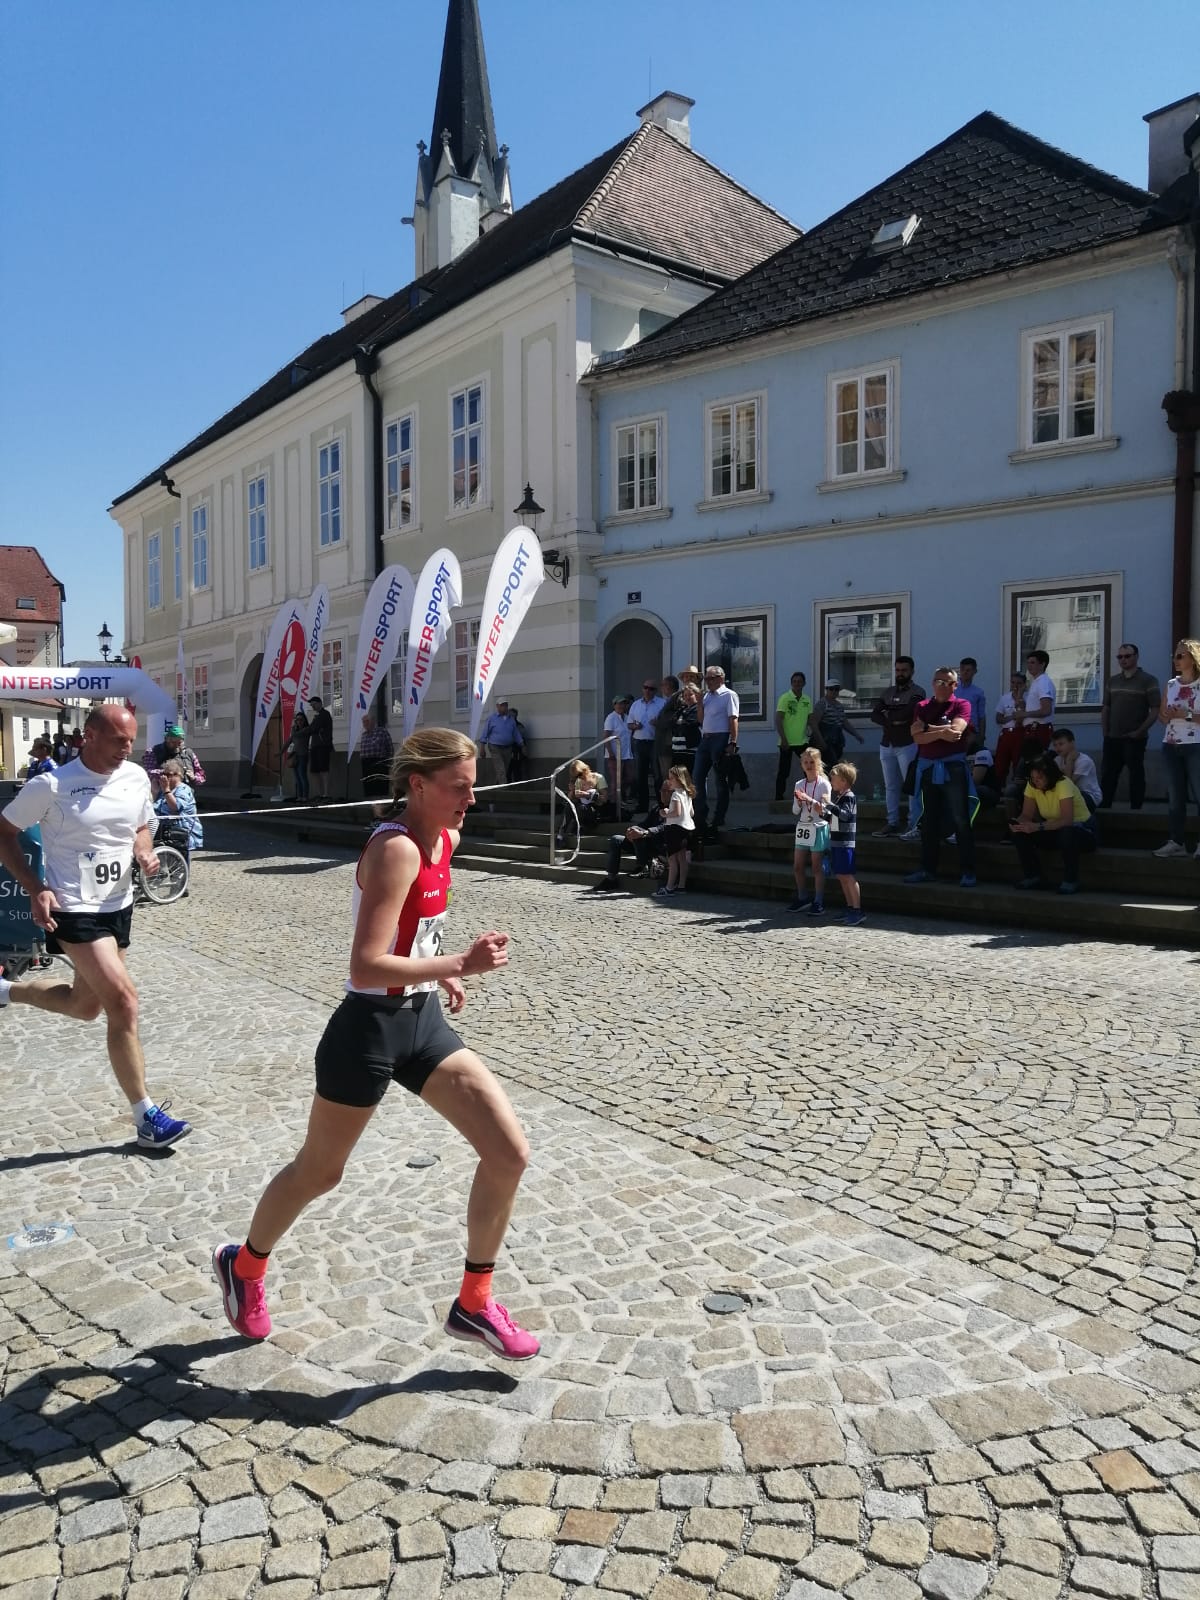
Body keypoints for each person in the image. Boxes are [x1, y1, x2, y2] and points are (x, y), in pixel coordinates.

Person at [212, 727, 538, 1358]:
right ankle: (244, 1266)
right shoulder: (395, 850)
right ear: (417, 785)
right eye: (458, 789)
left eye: (474, 787)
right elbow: (365, 966)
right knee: (320, 1171)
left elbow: (413, 937)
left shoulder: (448, 836)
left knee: (509, 1153)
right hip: (366, 1029)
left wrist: (440, 969)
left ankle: (474, 1304)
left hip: (421, 1025)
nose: (470, 800)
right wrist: (457, 967)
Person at [0, 704, 191, 1148]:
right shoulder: (51, 785)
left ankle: (7, 991)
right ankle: (146, 1117)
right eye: (117, 740)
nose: (127, 749)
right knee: (123, 1001)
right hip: (74, 909)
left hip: (118, 904)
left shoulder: (134, 778)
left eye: (131, 740)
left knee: (86, 1006)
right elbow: (4, 831)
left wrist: (144, 852)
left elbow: (139, 825)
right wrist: (34, 886)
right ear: (89, 736)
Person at [904, 666, 978, 888]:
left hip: (952, 768)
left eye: (946, 682)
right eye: (937, 681)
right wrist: (938, 731)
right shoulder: (922, 706)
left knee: (960, 819)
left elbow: (955, 734)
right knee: (929, 821)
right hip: (927, 768)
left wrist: (927, 728)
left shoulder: (961, 704)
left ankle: (968, 871)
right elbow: (917, 738)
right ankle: (927, 869)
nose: (940, 685)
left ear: (955, 685)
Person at [1010, 752, 1098, 894]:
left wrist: (1037, 826)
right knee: (1020, 833)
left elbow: (1067, 820)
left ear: (1049, 774)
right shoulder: (1032, 785)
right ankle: (1033, 876)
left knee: (1067, 832)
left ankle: (1071, 880)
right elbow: (1027, 814)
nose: (1036, 781)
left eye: (1040, 778)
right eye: (1032, 778)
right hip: (1053, 830)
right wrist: (1018, 824)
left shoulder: (1063, 784)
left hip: (1081, 831)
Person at [1154, 638, 1200, 860]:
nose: (1176, 660)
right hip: (1171, 744)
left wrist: (1186, 714)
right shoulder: (1171, 684)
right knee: (1175, 797)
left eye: (1181, 656)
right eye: (1175, 656)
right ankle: (1177, 842)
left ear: (1194, 657)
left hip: (1196, 746)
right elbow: (1162, 715)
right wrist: (1166, 715)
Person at [1100, 644, 1160, 810]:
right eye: (1120, 657)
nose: (1123, 660)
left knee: (1136, 774)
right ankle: (1105, 808)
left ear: (1136, 656)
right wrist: (1105, 732)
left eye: (1127, 656)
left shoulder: (1148, 680)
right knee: (1108, 775)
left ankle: (1136, 809)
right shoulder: (1113, 681)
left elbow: (1155, 709)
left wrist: (1140, 731)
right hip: (1112, 737)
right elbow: (1106, 707)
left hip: (1134, 738)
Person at [870, 657, 925, 837]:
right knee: (890, 786)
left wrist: (890, 715)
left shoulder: (918, 692)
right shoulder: (888, 692)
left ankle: (913, 825)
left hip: (907, 744)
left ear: (912, 672)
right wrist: (895, 719)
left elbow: (910, 712)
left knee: (911, 786)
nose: (900, 673)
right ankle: (892, 822)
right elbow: (875, 715)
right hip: (887, 744)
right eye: (898, 670)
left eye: (904, 670)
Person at [693, 665, 740, 838]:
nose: (708, 682)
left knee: (720, 780)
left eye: (711, 678)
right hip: (705, 738)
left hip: (721, 737)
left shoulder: (729, 695)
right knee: (697, 778)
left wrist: (732, 741)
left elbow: (733, 719)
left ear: (721, 678)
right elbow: (700, 720)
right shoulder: (706, 697)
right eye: (706, 679)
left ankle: (719, 816)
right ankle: (701, 814)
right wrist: (699, 703)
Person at [816, 762, 863, 925]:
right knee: (842, 876)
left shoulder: (849, 797)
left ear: (843, 781)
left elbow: (845, 816)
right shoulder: (841, 798)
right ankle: (850, 907)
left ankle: (857, 910)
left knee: (848, 877)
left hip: (845, 844)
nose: (831, 782)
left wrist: (829, 804)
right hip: (837, 843)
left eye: (833, 779)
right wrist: (823, 815)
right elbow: (835, 821)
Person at [789, 747, 831, 914]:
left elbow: (825, 810)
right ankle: (802, 897)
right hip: (803, 827)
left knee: (816, 867)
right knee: (797, 866)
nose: (808, 765)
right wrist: (799, 803)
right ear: (801, 764)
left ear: (818, 763)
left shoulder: (824, 784)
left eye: (812, 762)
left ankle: (818, 901)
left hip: (819, 827)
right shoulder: (799, 784)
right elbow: (795, 811)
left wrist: (808, 799)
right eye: (805, 762)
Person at [653, 765, 696, 898]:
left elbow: (676, 812)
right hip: (687, 828)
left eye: (671, 778)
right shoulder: (687, 793)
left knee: (672, 860)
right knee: (682, 859)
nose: (669, 781)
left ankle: (669, 887)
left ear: (679, 780)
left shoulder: (676, 794)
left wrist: (665, 813)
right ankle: (681, 886)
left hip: (675, 830)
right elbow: (692, 813)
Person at [626, 680, 665, 815]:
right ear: (642, 689)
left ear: (655, 691)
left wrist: (658, 723)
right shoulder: (636, 705)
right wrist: (634, 726)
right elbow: (629, 724)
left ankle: (662, 805)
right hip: (639, 742)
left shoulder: (662, 703)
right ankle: (642, 805)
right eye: (645, 687)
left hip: (655, 743)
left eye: (651, 688)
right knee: (640, 776)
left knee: (658, 776)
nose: (648, 690)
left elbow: (667, 722)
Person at [152, 758, 204, 858]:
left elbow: (175, 807)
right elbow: (154, 808)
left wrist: (166, 791)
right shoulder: (164, 789)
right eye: (163, 774)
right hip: (164, 832)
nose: (164, 777)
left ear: (178, 775)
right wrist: (155, 792)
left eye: (168, 774)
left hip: (180, 833)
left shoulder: (183, 789)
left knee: (179, 861)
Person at [774, 672, 814, 801]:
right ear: (791, 683)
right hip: (786, 742)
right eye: (795, 681)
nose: (797, 683)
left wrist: (816, 735)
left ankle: (810, 795)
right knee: (784, 771)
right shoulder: (785, 698)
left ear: (804, 683)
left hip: (802, 741)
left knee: (809, 769)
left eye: (799, 681)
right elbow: (778, 719)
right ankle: (779, 797)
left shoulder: (807, 699)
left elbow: (811, 719)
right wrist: (784, 739)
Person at [810, 680, 864, 768]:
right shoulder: (822, 704)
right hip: (825, 740)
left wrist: (856, 735)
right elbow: (813, 723)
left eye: (836, 689)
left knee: (832, 763)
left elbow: (844, 722)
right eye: (831, 689)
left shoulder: (839, 705)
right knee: (832, 765)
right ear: (826, 690)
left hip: (837, 740)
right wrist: (820, 741)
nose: (834, 691)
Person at [557, 759, 607, 847]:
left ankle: (579, 828)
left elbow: (604, 799)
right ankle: (560, 835)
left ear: (585, 770)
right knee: (569, 806)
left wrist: (589, 795)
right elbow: (570, 799)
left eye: (580, 775)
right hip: (581, 809)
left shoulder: (598, 778)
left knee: (581, 807)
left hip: (595, 810)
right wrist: (572, 792)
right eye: (577, 777)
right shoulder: (579, 781)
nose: (579, 778)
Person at [993, 671, 1030, 788]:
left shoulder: (1028, 698)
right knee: (1000, 763)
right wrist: (1011, 717)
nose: (1015, 686)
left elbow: (1020, 720)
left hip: (1020, 732)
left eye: (1019, 683)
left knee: (1017, 762)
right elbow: (999, 718)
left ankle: (1016, 792)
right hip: (1006, 733)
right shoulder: (1005, 698)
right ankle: (999, 791)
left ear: (1024, 684)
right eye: (1013, 682)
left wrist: (1019, 698)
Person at [477, 699, 523, 789]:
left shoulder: (511, 720)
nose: (504, 707)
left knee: (503, 769)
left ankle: (495, 788)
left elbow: (516, 733)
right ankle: (504, 790)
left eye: (506, 705)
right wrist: (482, 748)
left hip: (507, 748)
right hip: (495, 747)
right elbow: (485, 733)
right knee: (500, 769)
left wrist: (522, 745)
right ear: (497, 706)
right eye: (502, 705)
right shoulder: (492, 718)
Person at [1051, 729, 1101, 812]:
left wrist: (1069, 760)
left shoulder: (1084, 761)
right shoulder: (1057, 760)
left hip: (1088, 796)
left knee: (1067, 797)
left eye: (1061, 744)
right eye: (1055, 745)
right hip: (1067, 794)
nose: (1057, 748)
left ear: (1072, 743)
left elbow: (1068, 784)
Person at [146, 723, 205, 789]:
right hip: (163, 793)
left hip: (186, 794)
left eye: (180, 743)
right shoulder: (153, 751)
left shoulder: (189, 753)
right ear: (167, 740)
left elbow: (201, 775)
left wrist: (195, 778)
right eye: (174, 742)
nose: (177, 745)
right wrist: (165, 772)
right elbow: (148, 773)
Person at [603, 695, 633, 803]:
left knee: (629, 778)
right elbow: (606, 736)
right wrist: (610, 753)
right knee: (616, 780)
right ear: (614, 705)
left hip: (627, 753)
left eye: (623, 703)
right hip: (615, 754)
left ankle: (621, 797)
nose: (621, 705)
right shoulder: (611, 718)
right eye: (619, 703)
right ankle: (614, 802)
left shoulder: (627, 716)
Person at [359, 714, 395, 802]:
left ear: (373, 722)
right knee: (369, 786)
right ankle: (370, 805)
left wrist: (388, 761)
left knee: (380, 786)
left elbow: (390, 747)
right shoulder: (364, 735)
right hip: (366, 763)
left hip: (379, 762)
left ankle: (382, 805)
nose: (365, 724)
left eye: (367, 721)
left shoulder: (382, 732)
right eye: (364, 722)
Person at [306, 696, 334, 802]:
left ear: (319, 703)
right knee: (314, 771)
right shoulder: (317, 716)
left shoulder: (324, 714)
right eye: (311, 704)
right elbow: (312, 728)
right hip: (315, 746)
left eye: (313, 704)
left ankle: (326, 794)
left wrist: (303, 732)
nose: (312, 706)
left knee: (324, 770)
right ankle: (319, 793)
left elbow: (312, 728)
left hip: (323, 746)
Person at [957, 658, 987, 735]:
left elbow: (981, 715)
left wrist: (982, 736)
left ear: (975, 671)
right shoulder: (952, 689)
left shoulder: (978, 692)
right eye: (962, 669)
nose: (965, 672)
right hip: (954, 730)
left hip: (971, 732)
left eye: (968, 670)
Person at [287, 709, 311, 802]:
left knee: (302, 776)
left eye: (300, 719)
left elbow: (296, 735)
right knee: (297, 777)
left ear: (304, 720)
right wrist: (281, 752)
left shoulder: (306, 730)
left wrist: (293, 730)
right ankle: (299, 796)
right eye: (297, 720)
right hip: (295, 755)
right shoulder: (295, 730)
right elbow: (289, 741)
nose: (298, 721)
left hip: (303, 755)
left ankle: (305, 796)